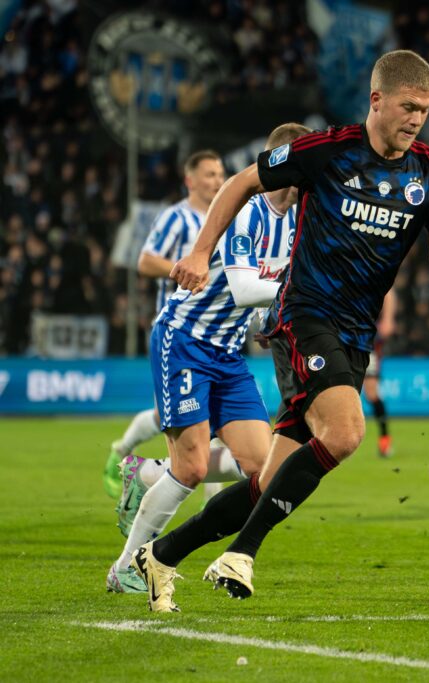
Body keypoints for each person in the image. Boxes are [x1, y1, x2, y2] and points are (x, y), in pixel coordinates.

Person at [131, 50, 429, 612]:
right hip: (306, 314)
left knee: (270, 477)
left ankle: (162, 554)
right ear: (377, 100)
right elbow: (242, 181)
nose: (416, 119)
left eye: (426, 110)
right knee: (346, 432)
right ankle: (242, 553)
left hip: (356, 333)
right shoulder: (327, 151)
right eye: (408, 106)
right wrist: (199, 248)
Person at [105, 124, 307, 595]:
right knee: (193, 468)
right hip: (185, 339)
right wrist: (299, 295)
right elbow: (242, 287)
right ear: (283, 165)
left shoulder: (299, 222)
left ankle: (149, 473)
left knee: (263, 467)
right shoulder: (245, 211)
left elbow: (260, 295)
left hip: (227, 352)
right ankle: (126, 568)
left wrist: (268, 323)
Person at [102, 151, 224, 499]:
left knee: (205, 422)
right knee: (176, 418)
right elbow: (145, 261)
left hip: (214, 332)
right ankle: (122, 451)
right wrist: (186, 268)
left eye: (220, 174)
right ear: (190, 180)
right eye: (209, 174)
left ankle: (209, 511)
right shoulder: (177, 218)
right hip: (174, 331)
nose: (217, 180)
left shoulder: (228, 218)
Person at [365, 289, 396, 457]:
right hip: (343, 333)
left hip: (367, 336)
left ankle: (384, 438)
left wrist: (388, 318)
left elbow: (388, 291)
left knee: (371, 392)